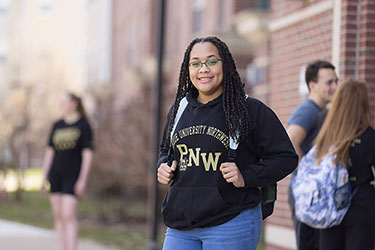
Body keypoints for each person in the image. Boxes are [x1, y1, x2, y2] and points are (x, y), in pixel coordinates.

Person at [157, 36, 298, 250]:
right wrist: (163, 166)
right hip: (181, 223)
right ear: (188, 69)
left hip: (231, 221)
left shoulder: (251, 110)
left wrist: (246, 176)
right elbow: (166, 149)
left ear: (227, 65)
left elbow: (285, 158)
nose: (203, 69)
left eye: (211, 61)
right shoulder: (179, 109)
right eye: (195, 63)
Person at [313, 79, 375, 250]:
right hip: (362, 203)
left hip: (329, 204)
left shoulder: (326, 135)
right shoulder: (370, 136)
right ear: (362, 103)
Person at [287, 60, 338, 250]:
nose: (335, 87)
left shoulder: (320, 111)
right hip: (307, 195)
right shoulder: (308, 110)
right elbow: (290, 141)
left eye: (336, 81)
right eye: (329, 83)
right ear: (312, 86)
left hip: (314, 195)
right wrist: (309, 179)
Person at [41, 92, 93, 250]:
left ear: (74, 104)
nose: (61, 105)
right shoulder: (57, 125)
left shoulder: (83, 125)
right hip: (56, 175)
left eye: (63, 102)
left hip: (73, 176)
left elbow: (88, 154)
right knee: (58, 216)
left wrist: (82, 180)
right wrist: (44, 177)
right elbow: (50, 152)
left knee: (68, 215)